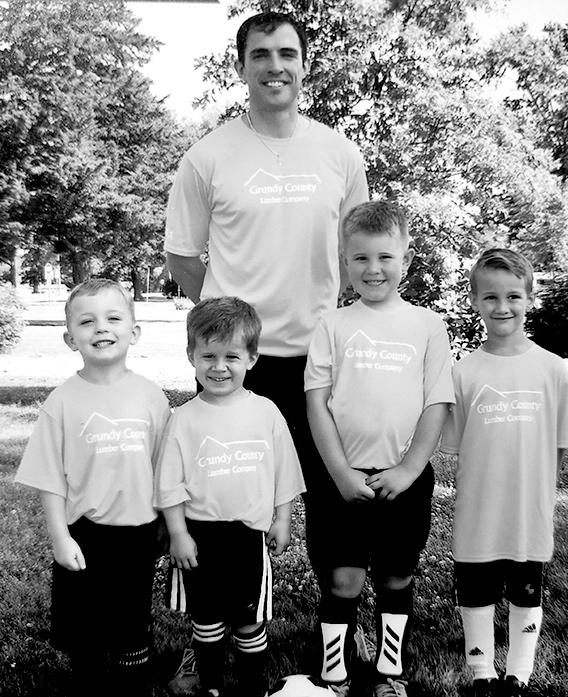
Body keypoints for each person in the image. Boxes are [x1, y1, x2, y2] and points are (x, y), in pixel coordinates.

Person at [164, 9, 368, 507]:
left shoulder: (340, 154)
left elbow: (357, 252)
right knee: (231, 499)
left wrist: (320, 302)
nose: (274, 66)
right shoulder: (207, 157)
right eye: (260, 55)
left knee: (330, 495)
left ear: (304, 65)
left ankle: (331, 566)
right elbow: (182, 255)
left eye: (286, 54)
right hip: (235, 359)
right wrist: (229, 321)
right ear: (241, 67)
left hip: (321, 356)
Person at [304, 201, 455, 697]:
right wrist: (340, 473)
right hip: (340, 477)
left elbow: (437, 402)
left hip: (403, 480)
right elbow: (317, 403)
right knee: (343, 580)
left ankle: (391, 673)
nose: (373, 269)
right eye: (361, 258)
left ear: (406, 260)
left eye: (385, 257)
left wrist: (409, 470)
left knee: (395, 577)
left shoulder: (428, 326)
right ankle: (334, 675)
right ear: (344, 262)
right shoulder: (332, 324)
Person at [14, 279, 170, 697]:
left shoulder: (152, 397)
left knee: (132, 622)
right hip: (84, 534)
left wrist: (168, 523)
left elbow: (165, 468)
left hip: (139, 532)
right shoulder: (61, 402)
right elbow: (49, 478)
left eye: (113, 318)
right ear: (70, 339)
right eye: (87, 321)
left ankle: (133, 685)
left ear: (134, 332)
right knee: (84, 630)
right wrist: (60, 538)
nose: (101, 327)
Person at [154, 296, 306, 697]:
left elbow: (285, 472)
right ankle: (212, 687)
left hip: (248, 538)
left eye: (231, 357)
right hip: (199, 537)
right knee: (206, 620)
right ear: (191, 356)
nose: (219, 367)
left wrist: (282, 519)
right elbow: (169, 485)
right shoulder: (183, 419)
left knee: (249, 621)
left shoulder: (267, 413)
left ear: (252, 358)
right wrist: (177, 534)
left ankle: (252, 687)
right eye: (208, 356)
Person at [441, 248, 568, 697]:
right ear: (474, 300)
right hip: (478, 507)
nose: (502, 307)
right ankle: (481, 672)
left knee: (526, 590)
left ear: (530, 299)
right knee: (475, 590)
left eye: (514, 296)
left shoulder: (552, 368)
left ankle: (518, 674)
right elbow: (456, 445)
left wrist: (542, 496)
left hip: (528, 509)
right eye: (491, 297)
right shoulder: (462, 373)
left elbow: (557, 446)